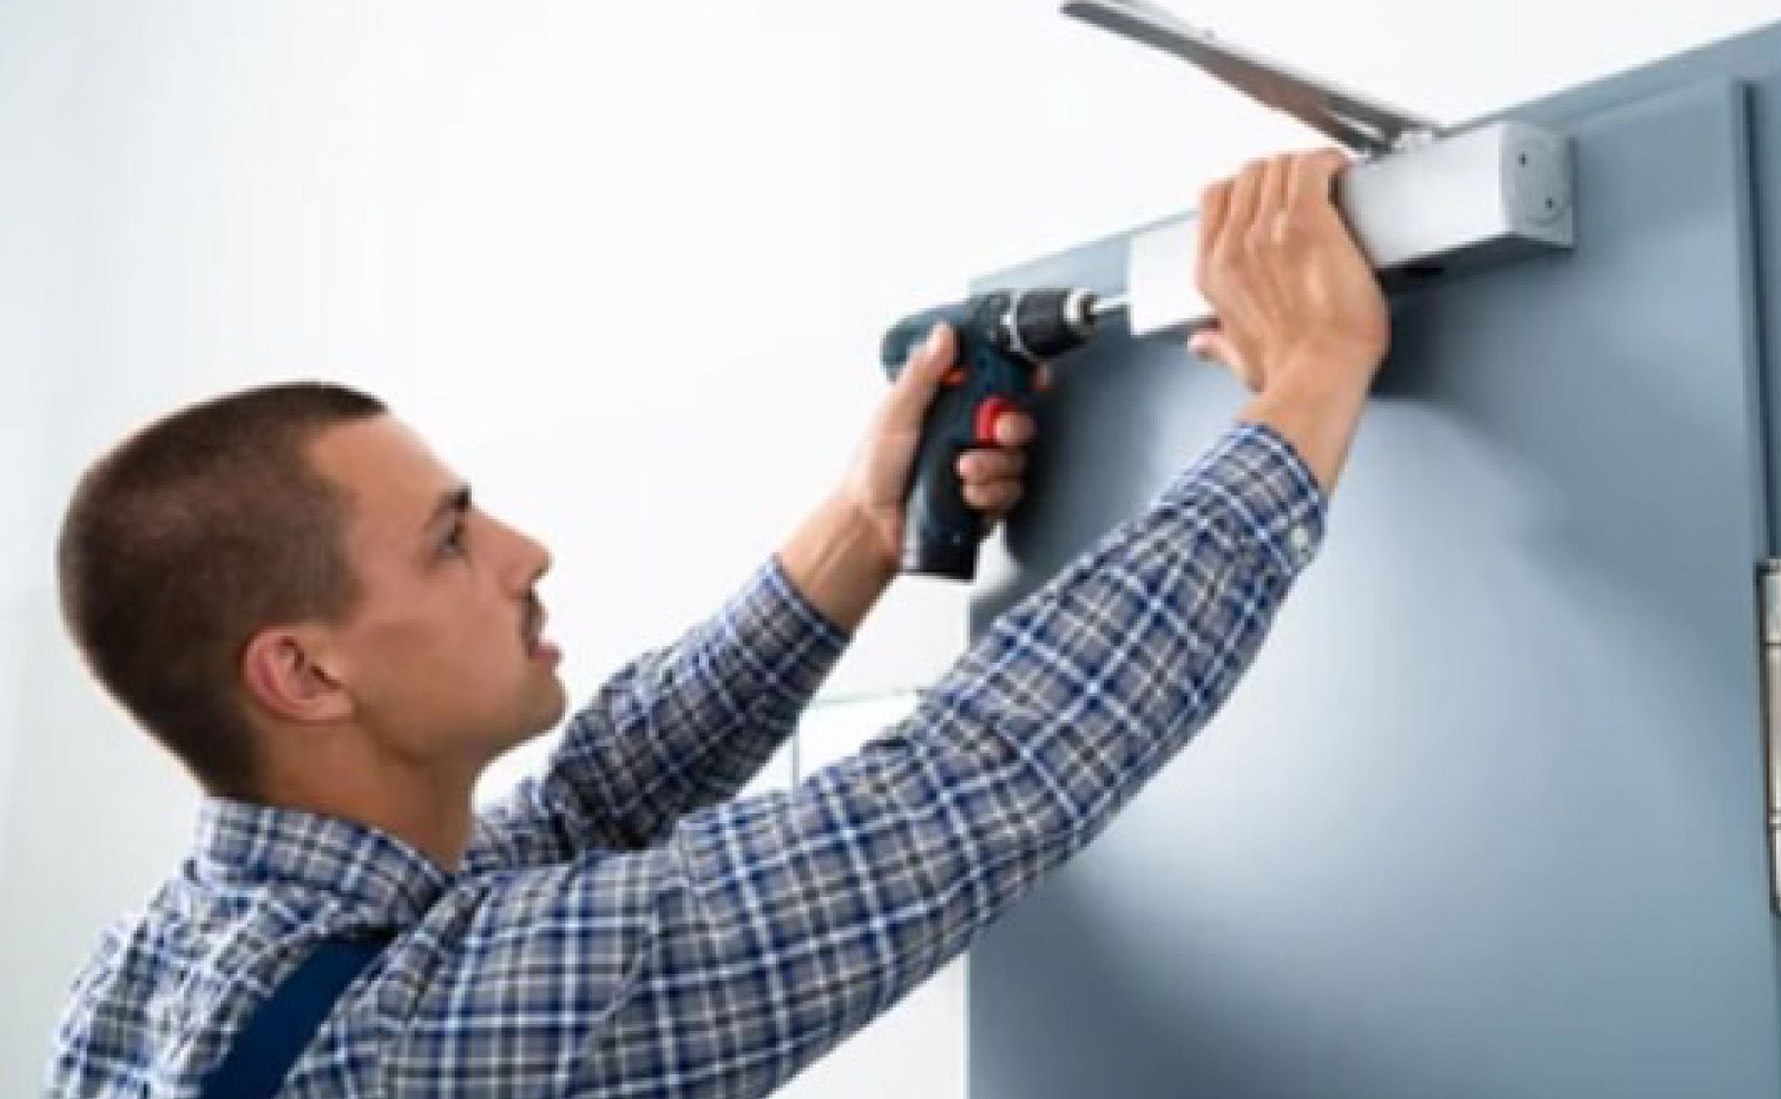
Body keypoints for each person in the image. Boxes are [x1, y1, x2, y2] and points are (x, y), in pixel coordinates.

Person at [46, 148, 1388, 1098]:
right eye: (452, 539)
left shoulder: (181, 956)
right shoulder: (413, 1042)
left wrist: (864, 531)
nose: (524, 553)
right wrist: (1309, 384)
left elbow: (588, 809)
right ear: (303, 672)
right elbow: (969, 787)